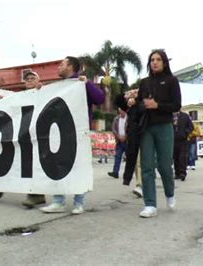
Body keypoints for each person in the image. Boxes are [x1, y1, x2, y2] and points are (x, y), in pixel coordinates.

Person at [39, 56, 105, 215]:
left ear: (71, 67)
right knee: (57, 165)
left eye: (62, 64)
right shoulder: (58, 86)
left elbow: (100, 98)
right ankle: (58, 201)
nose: (58, 67)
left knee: (78, 166)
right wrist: (40, 91)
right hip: (59, 133)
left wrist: (87, 83)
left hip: (79, 133)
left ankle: (78, 202)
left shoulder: (81, 83)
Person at [133, 49, 181, 218]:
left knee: (164, 165)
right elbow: (140, 104)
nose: (154, 62)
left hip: (164, 126)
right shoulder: (144, 82)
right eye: (152, 59)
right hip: (147, 127)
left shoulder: (172, 81)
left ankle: (170, 193)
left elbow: (176, 105)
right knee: (146, 166)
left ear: (164, 62)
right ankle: (150, 205)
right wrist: (138, 104)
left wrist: (157, 105)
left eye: (158, 59)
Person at [20, 70, 47, 208]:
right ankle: (36, 195)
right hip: (25, 136)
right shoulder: (21, 96)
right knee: (27, 165)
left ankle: (35, 195)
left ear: (38, 81)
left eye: (32, 78)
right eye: (27, 79)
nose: (29, 80)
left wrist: (42, 90)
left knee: (36, 164)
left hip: (40, 135)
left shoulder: (44, 92)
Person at [115, 90, 143, 198]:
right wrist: (125, 94)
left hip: (145, 134)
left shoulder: (143, 102)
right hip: (133, 136)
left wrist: (137, 100)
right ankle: (139, 184)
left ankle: (141, 185)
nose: (134, 94)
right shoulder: (130, 106)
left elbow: (143, 110)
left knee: (140, 161)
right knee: (135, 161)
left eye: (135, 92)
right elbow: (118, 101)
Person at [173, 111, 193, 181]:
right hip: (173, 140)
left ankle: (182, 173)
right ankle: (177, 173)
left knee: (182, 157)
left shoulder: (185, 116)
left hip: (183, 140)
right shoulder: (170, 116)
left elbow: (191, 126)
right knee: (175, 157)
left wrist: (186, 132)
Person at [108, 108, 128, 179]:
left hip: (127, 141)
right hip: (119, 141)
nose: (121, 112)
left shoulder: (128, 119)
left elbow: (131, 128)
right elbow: (113, 129)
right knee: (117, 157)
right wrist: (118, 136)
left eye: (123, 110)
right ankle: (115, 172)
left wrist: (125, 136)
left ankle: (128, 174)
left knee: (130, 158)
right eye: (120, 110)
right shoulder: (116, 119)